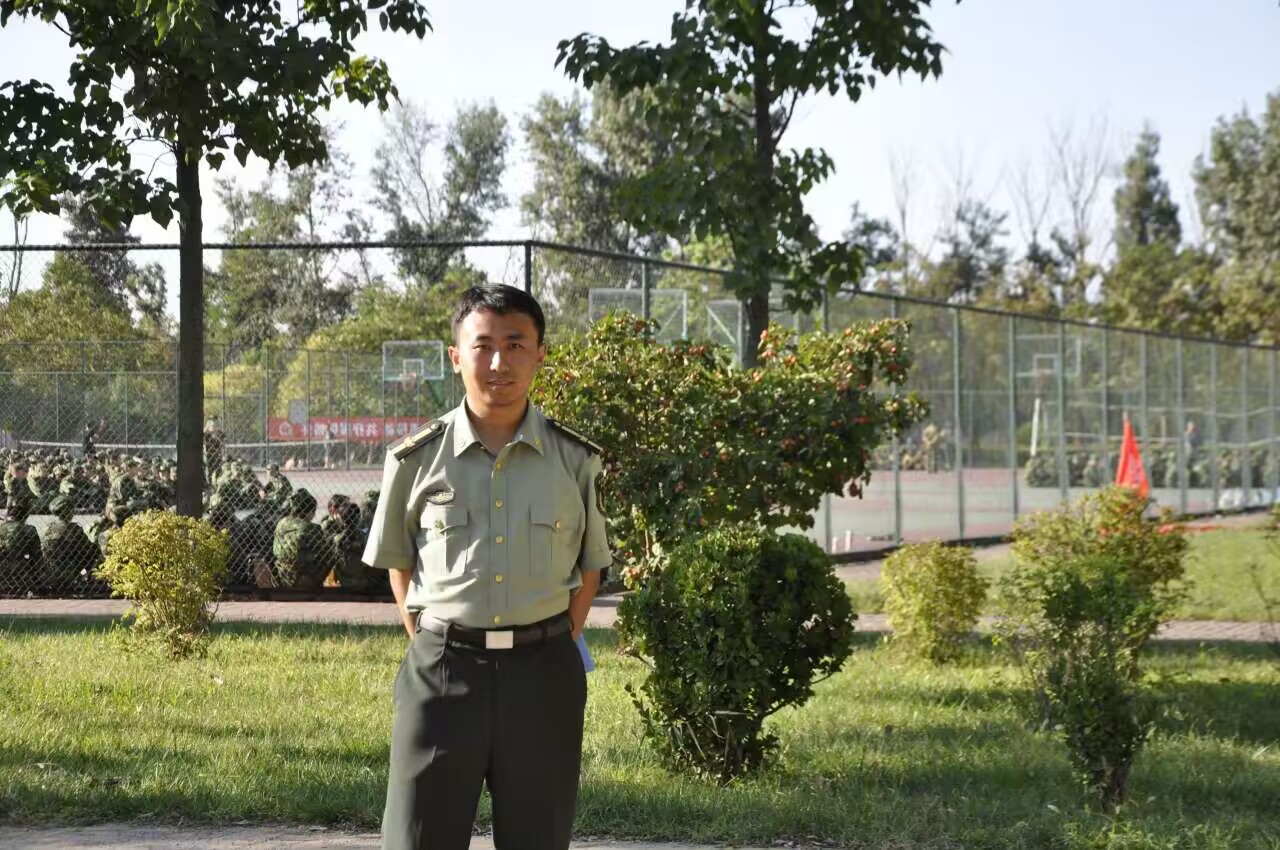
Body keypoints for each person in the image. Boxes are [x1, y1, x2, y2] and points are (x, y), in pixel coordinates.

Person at [363, 285, 612, 850]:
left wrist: (554, 639)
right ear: (456, 356)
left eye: (516, 344)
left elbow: (590, 567)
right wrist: (434, 639)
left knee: (537, 838)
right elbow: (399, 564)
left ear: (540, 353)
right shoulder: (415, 460)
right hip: (443, 672)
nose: (499, 362)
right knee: (417, 837)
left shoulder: (575, 459)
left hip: (543, 676)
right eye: (483, 346)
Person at [272, 487, 340, 590]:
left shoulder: (282, 522)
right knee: (332, 554)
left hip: (282, 572)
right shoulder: (311, 528)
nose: (314, 515)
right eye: (313, 511)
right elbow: (324, 551)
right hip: (302, 577)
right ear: (308, 512)